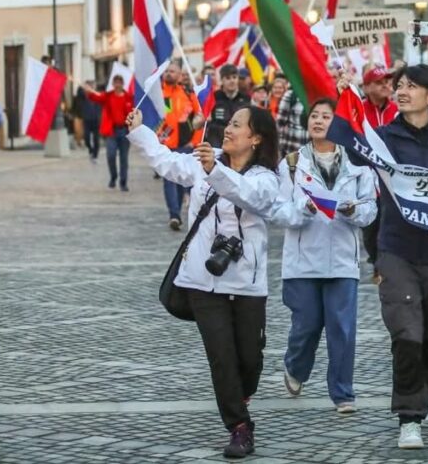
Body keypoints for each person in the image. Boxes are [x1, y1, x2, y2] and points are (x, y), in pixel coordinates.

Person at [125, 104, 279, 459]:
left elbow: (251, 197)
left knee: (249, 361)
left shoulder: (266, 177)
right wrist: (140, 131)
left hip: (246, 284)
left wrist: (216, 170)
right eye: (229, 123)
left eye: (238, 125)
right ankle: (239, 428)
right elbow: (167, 162)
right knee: (221, 358)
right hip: (201, 279)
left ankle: (239, 395)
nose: (228, 129)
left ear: (255, 137)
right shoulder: (204, 161)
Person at [356, 64, 428, 450]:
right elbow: (354, 152)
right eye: (399, 85)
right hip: (397, 250)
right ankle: (409, 417)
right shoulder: (384, 139)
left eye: (412, 86)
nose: (402, 91)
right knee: (406, 334)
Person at [272, 98, 377, 413]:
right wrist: (301, 211)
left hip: (343, 261)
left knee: (341, 329)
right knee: (306, 326)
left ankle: (343, 393)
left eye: (326, 116)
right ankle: (296, 366)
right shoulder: (290, 164)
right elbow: (278, 210)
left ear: (339, 123)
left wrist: (351, 212)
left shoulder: (358, 164)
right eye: (314, 116)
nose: (318, 120)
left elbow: (370, 209)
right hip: (302, 262)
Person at [360, 66, 397, 278]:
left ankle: (388, 265)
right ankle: (376, 260)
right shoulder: (358, 110)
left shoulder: (397, 110)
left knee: (389, 223)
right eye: (379, 81)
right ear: (366, 87)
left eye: (387, 81)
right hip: (366, 177)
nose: (385, 85)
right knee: (370, 228)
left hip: (392, 177)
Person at [159, 62, 206, 229]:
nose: (169, 74)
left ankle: (177, 210)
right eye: (167, 72)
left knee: (180, 181)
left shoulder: (188, 93)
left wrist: (194, 141)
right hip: (165, 145)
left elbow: (200, 118)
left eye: (173, 71)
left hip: (185, 145)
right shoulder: (158, 93)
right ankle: (174, 214)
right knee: (168, 179)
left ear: (179, 75)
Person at [83, 75, 134, 190]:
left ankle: (123, 182)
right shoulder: (108, 96)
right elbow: (97, 97)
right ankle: (113, 176)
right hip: (112, 132)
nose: (117, 85)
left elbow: (133, 113)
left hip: (125, 131)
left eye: (119, 82)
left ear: (122, 84)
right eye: (115, 82)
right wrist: (88, 92)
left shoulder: (128, 98)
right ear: (113, 84)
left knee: (124, 158)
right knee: (110, 155)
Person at [206, 64, 251, 149]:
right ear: (222, 80)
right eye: (228, 78)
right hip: (217, 142)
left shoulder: (246, 98)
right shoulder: (214, 97)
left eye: (234, 77)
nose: (232, 81)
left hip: (239, 143)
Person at [277, 87, 309, 157]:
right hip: (290, 151)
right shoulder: (291, 95)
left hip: (310, 153)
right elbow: (279, 123)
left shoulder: (320, 94)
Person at [75, 81, 102, 163]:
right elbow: (79, 92)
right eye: (90, 86)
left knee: (96, 139)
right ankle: (90, 149)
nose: (91, 88)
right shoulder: (84, 96)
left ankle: (95, 155)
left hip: (96, 120)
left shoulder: (98, 95)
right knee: (86, 137)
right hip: (87, 120)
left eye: (93, 86)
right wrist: (83, 86)